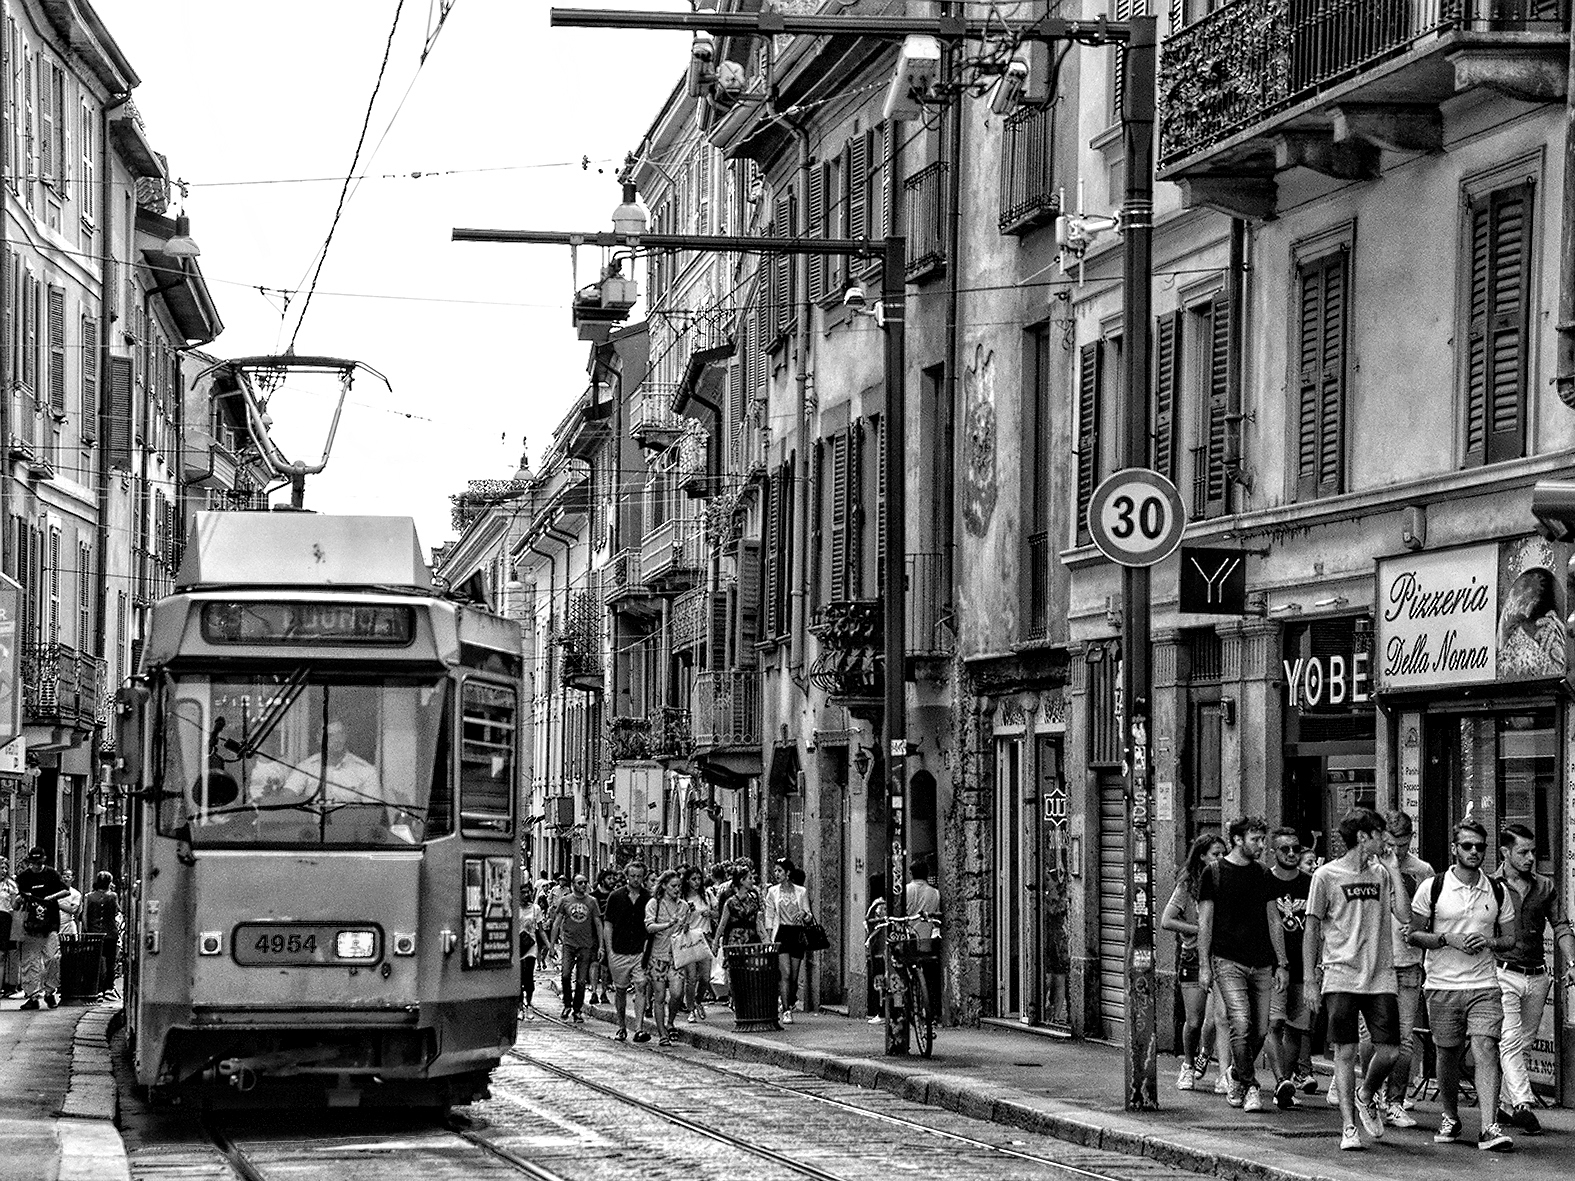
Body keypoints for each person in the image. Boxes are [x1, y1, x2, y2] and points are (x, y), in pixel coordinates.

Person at [1303, 807, 1412, 1152]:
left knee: (1391, 1050)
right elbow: (1312, 927)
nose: (1386, 841)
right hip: (1341, 974)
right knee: (1345, 1051)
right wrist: (1309, 978)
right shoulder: (1326, 876)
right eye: (1380, 834)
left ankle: (1367, 1093)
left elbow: (1405, 916)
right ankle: (1349, 1126)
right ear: (1363, 837)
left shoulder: (1382, 873)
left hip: (1380, 975)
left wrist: (1394, 872)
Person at [1410, 819, 1518, 1152]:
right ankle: (1450, 1115)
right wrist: (1447, 939)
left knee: (1486, 1046)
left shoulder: (1497, 890)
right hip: (1442, 984)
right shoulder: (1433, 887)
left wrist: (1489, 942)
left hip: (1485, 983)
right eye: (1467, 846)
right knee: (1448, 1053)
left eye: (1480, 847)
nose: (1474, 852)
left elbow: (1510, 939)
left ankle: (1489, 1126)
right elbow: (1413, 934)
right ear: (1455, 848)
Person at [1197, 816, 1288, 1113]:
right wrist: (1204, 965)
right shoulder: (1214, 874)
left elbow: (1274, 919)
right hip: (1228, 960)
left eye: (1263, 839)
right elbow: (1205, 921)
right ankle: (1251, 1086)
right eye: (1255, 840)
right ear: (1238, 840)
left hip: (1261, 962)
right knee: (1240, 1023)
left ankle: (1235, 1073)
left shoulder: (1263, 874)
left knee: (1261, 1031)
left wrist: (1282, 963)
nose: (1262, 845)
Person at [1493, 822, 1574, 1137]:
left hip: (1537, 974)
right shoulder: (1491, 885)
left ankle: (1504, 1105)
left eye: (1533, 852)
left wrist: (1572, 960)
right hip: (1502, 972)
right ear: (1505, 852)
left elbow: (1561, 925)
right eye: (1522, 852)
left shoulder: (1544, 887)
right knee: (1511, 1040)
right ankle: (1524, 1104)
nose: (1530, 859)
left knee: (1523, 1043)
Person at [1358, 810, 1432, 1126]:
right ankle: (1369, 1092)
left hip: (1409, 962)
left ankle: (1395, 1101)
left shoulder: (1422, 870)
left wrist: (1417, 929)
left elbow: (1430, 914)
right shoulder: (1368, 868)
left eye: (1403, 844)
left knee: (1403, 1038)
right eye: (1391, 843)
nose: (1398, 851)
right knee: (1370, 1037)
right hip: (1374, 964)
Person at [1163, 833, 1225, 1091]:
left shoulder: (1227, 879)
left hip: (1222, 955)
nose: (1220, 859)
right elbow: (1167, 920)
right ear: (1202, 856)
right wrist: (1199, 929)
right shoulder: (1188, 885)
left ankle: (1220, 1069)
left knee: (1218, 1020)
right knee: (1195, 1021)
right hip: (1192, 956)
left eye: (1223, 853)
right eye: (1215, 854)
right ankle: (1188, 1065)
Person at [1265, 827, 1311, 1111]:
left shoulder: (1311, 883)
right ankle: (1281, 1079)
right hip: (1273, 966)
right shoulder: (1265, 881)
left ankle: (1287, 1082)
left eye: (1296, 848)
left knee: (1297, 1028)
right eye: (1285, 849)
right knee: (1274, 1023)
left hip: (1305, 966)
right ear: (1274, 852)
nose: (1292, 853)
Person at [603, 860, 653, 1043]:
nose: (636, 879)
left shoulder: (649, 898)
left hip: (640, 950)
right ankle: (621, 1025)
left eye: (639, 876)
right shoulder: (615, 897)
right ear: (626, 876)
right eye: (632, 876)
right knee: (621, 991)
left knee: (641, 986)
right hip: (619, 949)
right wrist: (609, 950)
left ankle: (639, 1028)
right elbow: (608, 924)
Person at [13, 847, 67, 1009]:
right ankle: (33, 996)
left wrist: (51, 897)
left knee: (53, 958)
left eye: (39, 863)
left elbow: (65, 890)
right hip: (30, 925)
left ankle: (50, 991)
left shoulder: (52, 874)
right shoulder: (24, 877)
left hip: (50, 923)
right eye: (33, 863)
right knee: (31, 962)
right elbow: (17, 899)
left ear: (43, 861)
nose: (36, 866)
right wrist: (19, 900)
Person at [278, 719, 380, 804]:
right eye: (330, 735)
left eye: (340, 734)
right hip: (315, 826)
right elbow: (286, 798)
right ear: (319, 739)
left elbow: (372, 811)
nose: (337, 739)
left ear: (345, 736)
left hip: (351, 826)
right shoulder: (306, 767)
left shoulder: (366, 770)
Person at [645, 870, 691, 1046]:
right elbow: (649, 927)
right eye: (673, 886)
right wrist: (667, 924)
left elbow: (685, 929)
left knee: (677, 993)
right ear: (664, 886)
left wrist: (685, 927)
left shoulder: (684, 906)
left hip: (676, 957)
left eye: (679, 886)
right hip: (657, 956)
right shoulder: (654, 904)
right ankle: (662, 1031)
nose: (677, 889)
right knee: (659, 995)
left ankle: (670, 1020)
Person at [548, 872, 601, 1022]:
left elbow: (598, 924)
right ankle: (567, 1004)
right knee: (565, 974)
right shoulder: (565, 901)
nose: (583, 885)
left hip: (585, 945)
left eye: (585, 882)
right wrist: (552, 946)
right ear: (573, 885)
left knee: (581, 980)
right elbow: (557, 923)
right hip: (569, 944)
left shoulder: (592, 902)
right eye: (580, 883)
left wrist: (601, 946)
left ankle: (577, 1010)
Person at [765, 857, 812, 1024]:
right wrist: (769, 937)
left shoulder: (801, 891)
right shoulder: (772, 892)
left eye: (780, 871)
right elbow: (769, 915)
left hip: (797, 933)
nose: (776, 874)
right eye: (775, 870)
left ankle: (789, 1002)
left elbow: (808, 913)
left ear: (788, 873)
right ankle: (785, 1010)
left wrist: (804, 915)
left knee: (794, 975)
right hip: (782, 932)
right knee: (785, 973)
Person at [905, 861, 943, 1024]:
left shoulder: (906, 890)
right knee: (929, 978)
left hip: (909, 941)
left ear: (911, 873)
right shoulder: (935, 893)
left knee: (904, 973)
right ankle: (931, 1011)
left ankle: (906, 1007)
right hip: (927, 943)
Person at [678, 867, 713, 1022]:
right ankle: (690, 1008)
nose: (697, 882)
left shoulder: (706, 895)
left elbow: (718, 911)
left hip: (705, 936)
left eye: (699, 879)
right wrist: (686, 918)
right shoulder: (683, 898)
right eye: (693, 879)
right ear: (687, 880)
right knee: (691, 977)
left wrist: (710, 914)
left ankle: (699, 1000)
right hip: (689, 938)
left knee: (705, 977)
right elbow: (677, 918)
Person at [83, 872, 119, 998]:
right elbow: (116, 911)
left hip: (94, 934)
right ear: (109, 883)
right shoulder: (113, 896)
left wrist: (88, 932)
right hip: (110, 934)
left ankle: (95, 988)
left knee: (94, 962)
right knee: (110, 962)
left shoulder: (88, 896)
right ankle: (108, 988)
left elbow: (85, 917)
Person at [589, 869, 619, 1003]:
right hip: (594, 934)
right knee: (595, 963)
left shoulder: (615, 896)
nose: (612, 881)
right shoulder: (592, 896)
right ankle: (594, 991)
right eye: (609, 878)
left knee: (606, 966)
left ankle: (604, 992)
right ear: (602, 880)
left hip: (611, 934)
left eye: (613, 878)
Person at [865, 873, 888, 1023]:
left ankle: (881, 1011)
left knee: (880, 979)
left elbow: (871, 925)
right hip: (887, 946)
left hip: (878, 947)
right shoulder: (888, 903)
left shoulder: (877, 905)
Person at [518, 884, 542, 1016]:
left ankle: (529, 1003)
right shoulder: (513, 908)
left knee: (528, 974)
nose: (527, 895)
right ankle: (520, 1005)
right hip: (518, 946)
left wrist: (549, 945)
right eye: (523, 892)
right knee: (520, 975)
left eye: (528, 892)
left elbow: (540, 929)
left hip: (531, 946)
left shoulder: (535, 909)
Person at [0, 857, 18, 997]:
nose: (3, 871)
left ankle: (9, 985)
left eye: (5, 868)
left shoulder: (10, 885)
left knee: (5, 953)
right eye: (1, 868)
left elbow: (14, 906)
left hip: (5, 919)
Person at [57, 871, 82, 939]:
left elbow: (73, 909)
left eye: (68, 877)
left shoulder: (76, 893)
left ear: (73, 878)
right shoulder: (53, 891)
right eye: (63, 876)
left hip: (67, 925)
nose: (65, 879)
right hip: (54, 925)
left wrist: (56, 904)